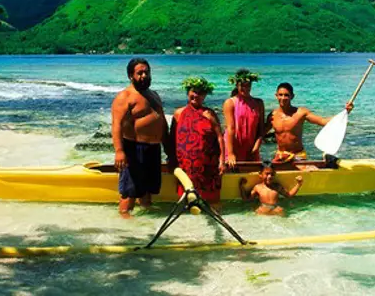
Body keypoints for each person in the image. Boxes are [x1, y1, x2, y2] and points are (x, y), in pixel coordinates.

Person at [111, 58, 173, 218]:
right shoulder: (125, 96)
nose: (144, 75)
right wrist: (119, 151)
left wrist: (169, 151)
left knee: (147, 190)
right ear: (131, 75)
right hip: (134, 148)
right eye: (140, 73)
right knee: (129, 192)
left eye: (147, 72)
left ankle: (145, 224)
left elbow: (162, 123)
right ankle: (125, 223)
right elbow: (116, 125)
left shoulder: (154, 95)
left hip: (153, 149)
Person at [170, 76, 225, 207]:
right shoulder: (179, 113)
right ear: (188, 92)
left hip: (208, 166)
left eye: (200, 93)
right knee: (187, 199)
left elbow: (219, 137)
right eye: (193, 91)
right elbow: (171, 139)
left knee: (212, 201)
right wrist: (171, 159)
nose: (196, 95)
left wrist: (222, 159)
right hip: (186, 165)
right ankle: (191, 225)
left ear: (205, 95)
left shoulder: (209, 114)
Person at [266, 82, 353, 163]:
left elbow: (323, 121)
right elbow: (261, 133)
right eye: (280, 95)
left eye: (286, 95)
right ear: (276, 96)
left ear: (292, 96)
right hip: (280, 155)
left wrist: (345, 112)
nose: (283, 98)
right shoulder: (272, 115)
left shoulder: (301, 113)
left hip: (298, 156)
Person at [223, 69, 265, 165]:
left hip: (251, 148)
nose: (246, 88)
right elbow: (230, 128)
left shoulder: (258, 103)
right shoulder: (230, 103)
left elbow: (261, 129)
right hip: (233, 147)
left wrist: (256, 147)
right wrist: (230, 153)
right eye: (242, 85)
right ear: (237, 85)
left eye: (248, 85)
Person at [239, 162, 303, 216]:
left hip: (276, 209)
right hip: (263, 209)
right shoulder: (258, 187)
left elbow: (289, 195)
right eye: (267, 174)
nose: (269, 176)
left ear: (274, 174)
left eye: (272, 174)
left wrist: (299, 184)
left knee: (281, 211)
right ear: (260, 174)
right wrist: (241, 186)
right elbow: (247, 199)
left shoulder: (277, 186)